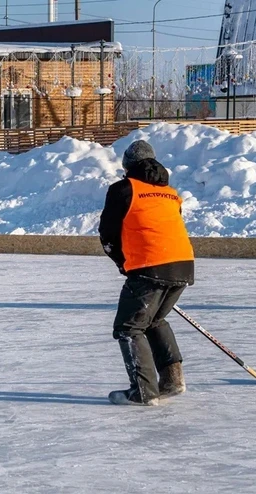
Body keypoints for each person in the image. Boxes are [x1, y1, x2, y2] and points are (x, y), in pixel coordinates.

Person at [98, 139, 194, 407]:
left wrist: (122, 261)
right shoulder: (171, 194)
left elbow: (108, 233)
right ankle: (173, 380)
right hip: (183, 264)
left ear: (127, 166)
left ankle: (143, 391)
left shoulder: (123, 189)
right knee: (153, 321)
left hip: (150, 267)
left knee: (128, 328)